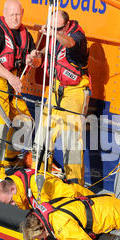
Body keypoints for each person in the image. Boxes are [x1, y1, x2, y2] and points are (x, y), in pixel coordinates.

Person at [0, 0, 41, 177]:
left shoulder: (25, 35)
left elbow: (36, 62)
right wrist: (11, 77)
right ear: (5, 14)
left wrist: (33, 59)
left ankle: (10, 159)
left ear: (23, 13)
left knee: (26, 122)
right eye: (12, 14)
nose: (15, 18)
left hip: (11, 83)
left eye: (18, 14)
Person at [31, 10, 90, 186]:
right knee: (43, 134)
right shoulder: (55, 35)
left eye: (57, 28)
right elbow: (48, 53)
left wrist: (53, 33)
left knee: (71, 140)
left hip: (74, 91)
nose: (53, 31)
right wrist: (36, 56)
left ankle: (74, 183)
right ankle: (39, 174)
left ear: (66, 25)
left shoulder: (77, 37)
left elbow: (69, 43)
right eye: (51, 27)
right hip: (55, 89)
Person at [0, 167, 94, 210]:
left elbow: (71, 193)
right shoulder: (24, 189)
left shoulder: (37, 184)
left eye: (11, 201)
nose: (13, 204)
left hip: (89, 203)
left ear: (12, 189)